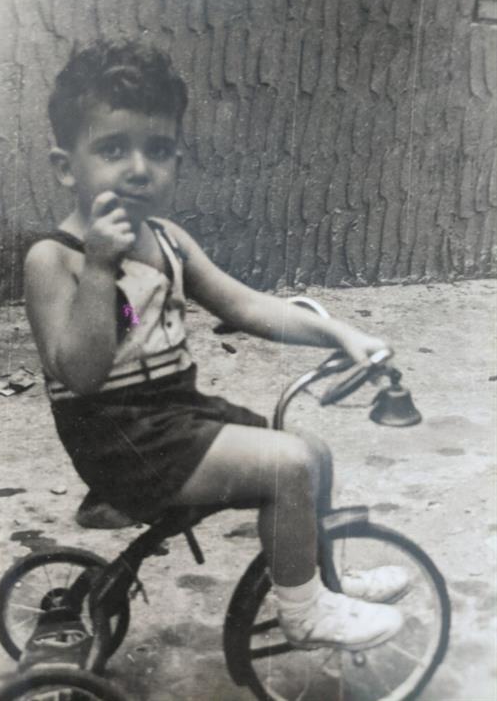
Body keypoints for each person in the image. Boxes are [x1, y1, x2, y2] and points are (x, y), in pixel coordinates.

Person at [25, 38, 406, 651]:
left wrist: (340, 333)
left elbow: (247, 306)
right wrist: (98, 268)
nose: (139, 168)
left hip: (176, 417)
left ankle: (316, 579)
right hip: (123, 442)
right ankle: (304, 614)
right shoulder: (54, 259)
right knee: (288, 466)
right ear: (68, 167)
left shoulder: (168, 239)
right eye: (113, 149)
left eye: (158, 150)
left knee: (311, 452)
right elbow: (82, 373)